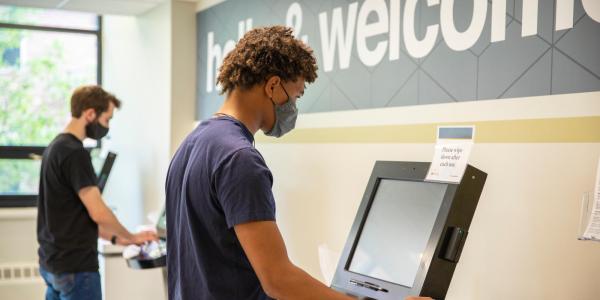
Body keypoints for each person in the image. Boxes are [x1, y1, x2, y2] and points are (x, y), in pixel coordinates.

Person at [166, 26, 430, 300]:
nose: (293, 106)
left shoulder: (190, 144)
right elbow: (278, 280)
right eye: (296, 95)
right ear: (272, 86)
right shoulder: (240, 160)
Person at [37, 85, 158, 300]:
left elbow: (72, 216)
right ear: (90, 113)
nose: (107, 126)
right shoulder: (75, 153)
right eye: (107, 119)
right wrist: (130, 236)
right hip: (77, 269)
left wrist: (115, 238)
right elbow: (98, 212)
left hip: (53, 265)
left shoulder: (54, 148)